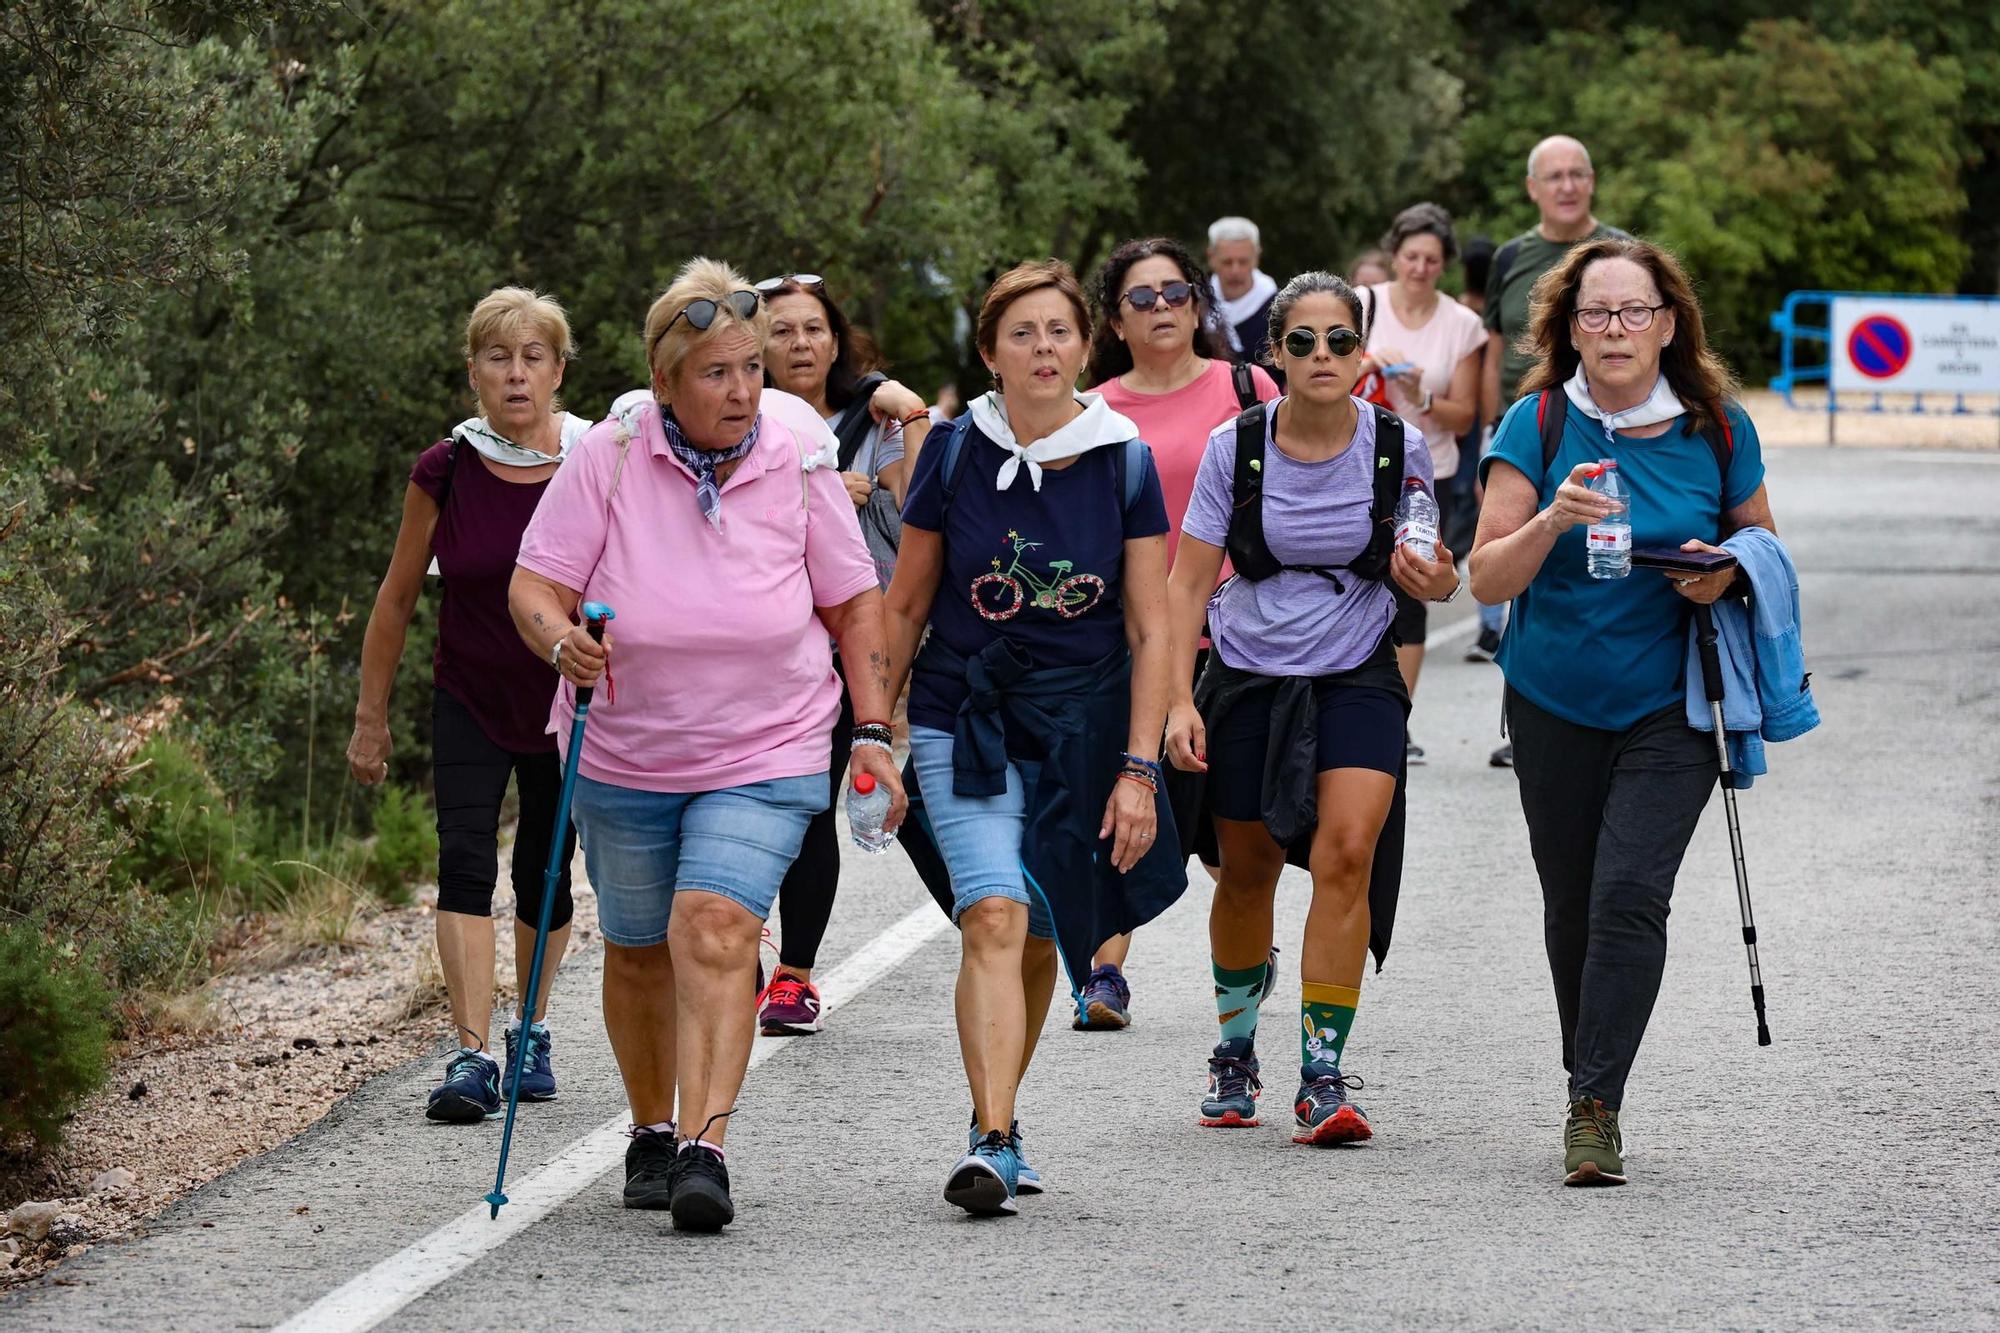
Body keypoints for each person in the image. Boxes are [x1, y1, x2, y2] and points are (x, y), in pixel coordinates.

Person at [508, 258, 904, 1233]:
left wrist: (871, 729)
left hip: (764, 746)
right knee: (640, 947)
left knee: (716, 929)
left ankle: (704, 1144)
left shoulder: (796, 457)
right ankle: (650, 1126)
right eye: (716, 373)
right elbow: (531, 586)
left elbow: (855, 605)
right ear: (666, 379)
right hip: (624, 750)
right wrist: (564, 643)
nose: (740, 391)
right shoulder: (609, 451)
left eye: (751, 370)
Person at [1468, 235, 1773, 1186]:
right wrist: (1552, 520)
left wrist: (1723, 574)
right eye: (1595, 313)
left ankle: (1594, 1105)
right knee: (1573, 906)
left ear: (1668, 323)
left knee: (1629, 895)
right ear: (1568, 327)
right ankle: (1589, 1071)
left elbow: (1763, 547)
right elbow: (1483, 571)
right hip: (1553, 696)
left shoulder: (1717, 428)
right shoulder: (1538, 420)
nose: (1614, 329)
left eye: (1633, 311)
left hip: (1672, 702)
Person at [883, 259, 1186, 1216]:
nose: (1043, 349)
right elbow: (905, 601)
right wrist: (869, 729)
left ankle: (1002, 1116)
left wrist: (1138, 770)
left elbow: (1149, 627)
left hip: (1084, 723)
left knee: (1049, 925)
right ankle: (994, 1135)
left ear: (1085, 346)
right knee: (995, 913)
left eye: (1059, 331)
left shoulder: (1125, 458)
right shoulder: (955, 451)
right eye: (1022, 334)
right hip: (960, 712)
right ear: (990, 353)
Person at [1165, 272, 1459, 1147]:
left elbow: (1431, 565)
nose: (1322, 356)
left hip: (1357, 667)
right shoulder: (1237, 446)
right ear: (1276, 353)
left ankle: (1321, 1075)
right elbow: (1187, 582)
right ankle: (1233, 1050)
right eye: (1303, 341)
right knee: (1247, 867)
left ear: (1361, 352)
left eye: (1339, 340)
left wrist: (1439, 579)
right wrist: (1178, 696)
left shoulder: (1396, 446)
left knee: (1347, 852)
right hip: (1250, 668)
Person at [348, 286, 588, 1124]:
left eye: (532, 357)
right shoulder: (445, 467)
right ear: (474, 373)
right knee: (464, 862)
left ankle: (533, 1029)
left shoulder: (599, 460)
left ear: (559, 370)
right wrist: (369, 717)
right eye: (498, 357)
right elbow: (396, 595)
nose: (516, 374)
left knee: (545, 874)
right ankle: (472, 1052)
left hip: (569, 700)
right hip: (469, 693)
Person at [1071, 236, 1281, 1030]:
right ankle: (1104, 973)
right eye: (1141, 299)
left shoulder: (1248, 386)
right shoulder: (1093, 412)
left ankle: (1245, 944)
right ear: (1115, 322)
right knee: (1125, 802)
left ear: (1198, 304)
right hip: (1127, 639)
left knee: (1225, 834)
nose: (1162, 308)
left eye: (1175, 293)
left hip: (1237, 641)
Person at [754, 273, 931, 1036]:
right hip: (751, 643)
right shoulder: (736, 415)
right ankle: (736, 956)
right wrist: (820, 493)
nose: (800, 343)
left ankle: (793, 977)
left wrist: (917, 413)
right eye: (783, 330)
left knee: (804, 808)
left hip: (841, 645)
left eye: (813, 329)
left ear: (837, 340)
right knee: (744, 806)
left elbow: (926, 509)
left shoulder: (874, 419)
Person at [1482, 136, 1629, 766]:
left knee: (1600, 557)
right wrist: (1493, 425)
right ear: (1532, 187)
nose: (1567, 186)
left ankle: (1614, 711)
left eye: (1578, 175)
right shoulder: (1512, 256)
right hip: (1529, 432)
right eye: (1554, 176)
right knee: (1520, 561)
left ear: (1592, 182)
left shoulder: (1620, 253)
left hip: (1602, 425)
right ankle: (1535, 717)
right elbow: (1492, 346)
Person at [1356, 203, 1487, 765]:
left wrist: (1421, 394)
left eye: (1432, 260)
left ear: (1445, 264)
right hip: (1354, 463)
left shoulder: (1461, 323)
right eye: (1411, 256)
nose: (1420, 268)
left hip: (1423, 470)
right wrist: (1365, 360)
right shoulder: (1363, 304)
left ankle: (1396, 721)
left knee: (1411, 588)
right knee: (1353, 584)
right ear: (1394, 256)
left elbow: (1466, 419)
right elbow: (1318, 363)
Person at [1207, 216, 1278, 365]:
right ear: (1211, 257)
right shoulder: (1198, 304)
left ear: (1256, 257)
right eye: (1227, 262)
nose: (1235, 270)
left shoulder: (1279, 308)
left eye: (1243, 261)